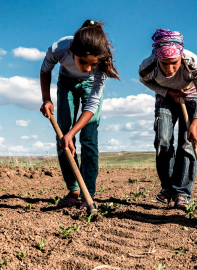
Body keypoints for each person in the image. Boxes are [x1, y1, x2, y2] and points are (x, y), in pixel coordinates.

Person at [40, 20, 119, 210]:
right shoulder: (59, 48)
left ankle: (87, 194)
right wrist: (46, 100)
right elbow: (45, 70)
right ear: (72, 50)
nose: (87, 68)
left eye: (93, 64)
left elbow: (92, 105)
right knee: (63, 137)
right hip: (66, 82)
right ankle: (74, 190)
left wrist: (73, 132)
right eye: (83, 61)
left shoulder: (101, 62)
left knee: (89, 138)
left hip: (90, 87)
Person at [138, 28, 197, 208]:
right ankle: (168, 188)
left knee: (187, 144)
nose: (169, 69)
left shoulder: (193, 64)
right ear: (157, 58)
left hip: (191, 98)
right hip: (165, 98)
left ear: (181, 57)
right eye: (164, 64)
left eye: (174, 63)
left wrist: (195, 122)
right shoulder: (147, 66)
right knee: (163, 140)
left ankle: (182, 193)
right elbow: (145, 81)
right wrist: (168, 92)